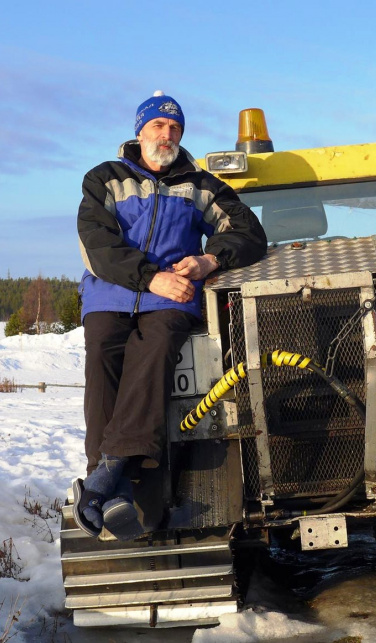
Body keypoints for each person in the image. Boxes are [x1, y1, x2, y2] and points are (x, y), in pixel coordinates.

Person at [74, 91, 267, 540]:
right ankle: (109, 481)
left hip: (172, 298)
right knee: (102, 349)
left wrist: (207, 261)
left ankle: (104, 480)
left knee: (155, 349)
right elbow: (96, 245)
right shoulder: (105, 179)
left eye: (175, 128)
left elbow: (248, 232)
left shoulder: (201, 185)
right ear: (139, 131)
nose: (167, 134)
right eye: (159, 126)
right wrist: (148, 276)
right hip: (112, 292)